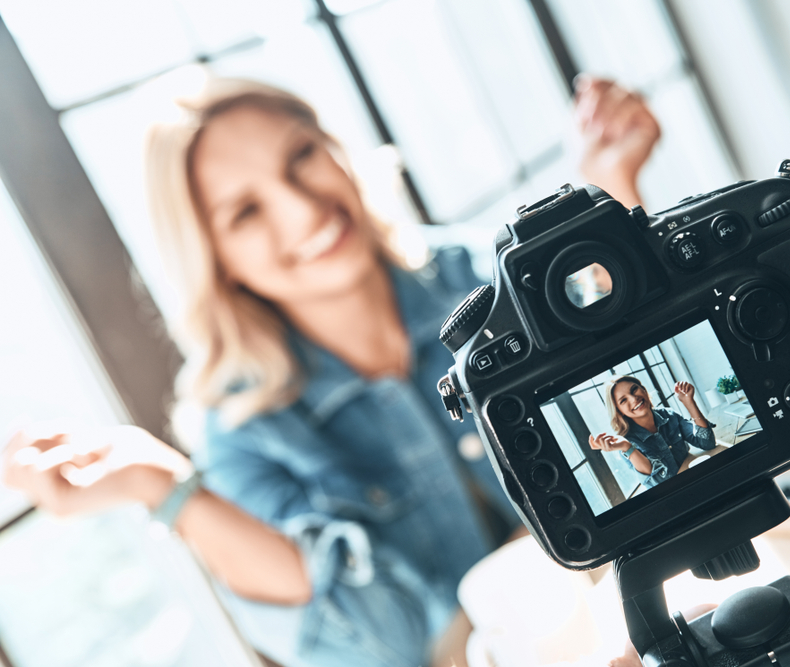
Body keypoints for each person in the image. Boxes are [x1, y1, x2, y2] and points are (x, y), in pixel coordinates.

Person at [2, 74, 661, 667]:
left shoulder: (483, 275)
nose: (304, 209)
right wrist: (165, 488)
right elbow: (380, 644)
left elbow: (644, 402)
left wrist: (611, 191)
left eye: (301, 157)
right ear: (214, 255)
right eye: (247, 211)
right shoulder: (240, 430)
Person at [589, 375, 716, 488]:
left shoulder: (669, 415)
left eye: (634, 390)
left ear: (643, 390)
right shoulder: (627, 443)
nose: (634, 399)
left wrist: (688, 402)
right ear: (619, 411)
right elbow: (661, 483)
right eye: (623, 400)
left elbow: (707, 443)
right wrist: (626, 447)